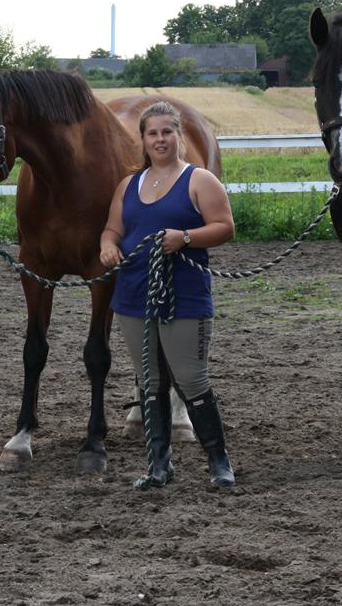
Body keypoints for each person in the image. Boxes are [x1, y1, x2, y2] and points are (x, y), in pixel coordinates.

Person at [99, 101, 237, 489]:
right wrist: (107, 247)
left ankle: (218, 462)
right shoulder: (129, 186)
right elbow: (112, 229)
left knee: (191, 379)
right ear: (142, 140)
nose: (160, 140)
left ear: (178, 135)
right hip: (133, 295)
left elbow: (225, 227)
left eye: (166, 132)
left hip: (184, 296)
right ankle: (159, 465)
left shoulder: (200, 181)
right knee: (149, 380)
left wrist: (186, 238)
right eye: (152, 133)